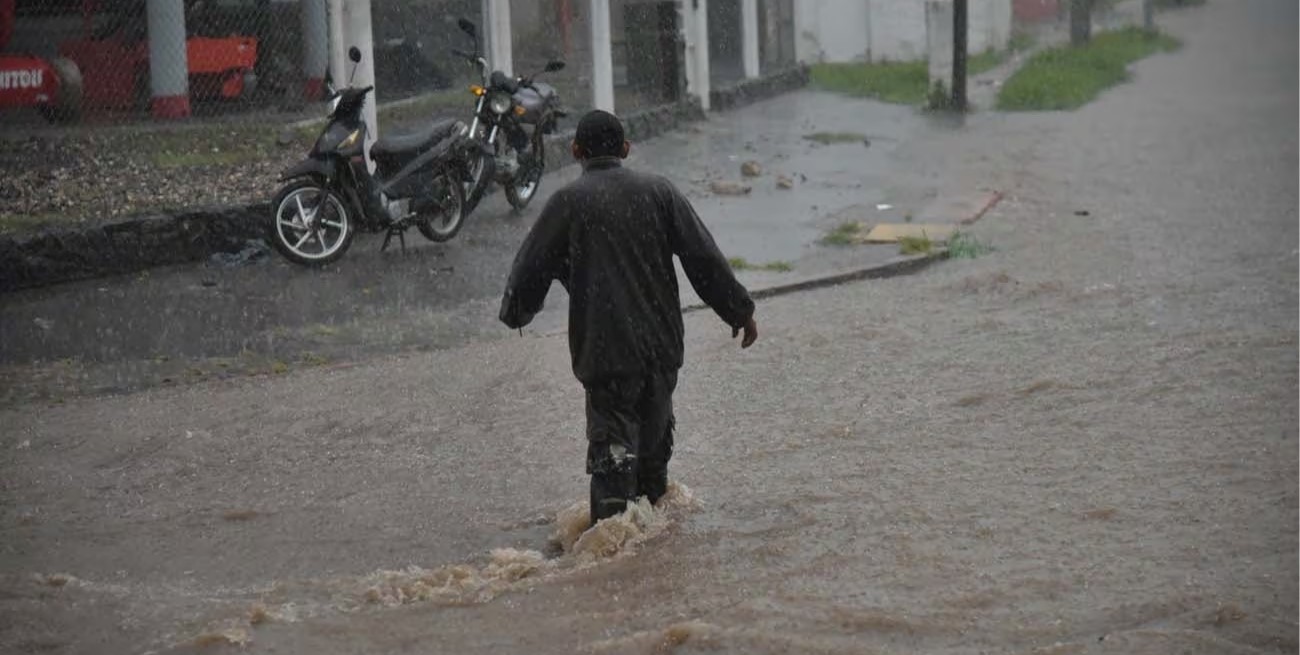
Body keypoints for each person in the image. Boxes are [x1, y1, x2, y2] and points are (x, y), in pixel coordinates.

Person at [499, 109, 759, 526]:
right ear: (625, 149)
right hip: (661, 356)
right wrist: (739, 310)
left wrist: (516, 312)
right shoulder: (659, 192)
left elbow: (530, 268)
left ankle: (610, 573)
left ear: (575, 151)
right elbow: (702, 257)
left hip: (608, 363)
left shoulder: (567, 203)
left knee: (612, 483)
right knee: (654, 474)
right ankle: (657, 571)